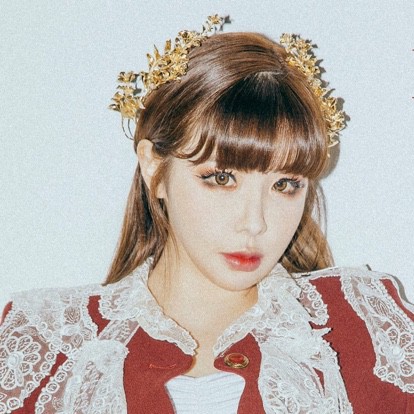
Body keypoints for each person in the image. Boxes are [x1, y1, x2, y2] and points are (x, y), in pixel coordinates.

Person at [1, 15, 413, 414]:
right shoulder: (42, 340)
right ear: (154, 168)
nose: (255, 223)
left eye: (285, 185)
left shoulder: (368, 327)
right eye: (221, 178)